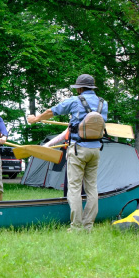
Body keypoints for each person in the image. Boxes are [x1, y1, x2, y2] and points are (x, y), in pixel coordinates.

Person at [28, 74, 108, 232]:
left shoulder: (75, 101)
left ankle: (76, 226)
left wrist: (37, 118)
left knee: (74, 188)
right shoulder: (103, 103)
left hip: (78, 149)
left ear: (79, 88)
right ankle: (88, 226)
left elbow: (52, 111)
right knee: (92, 188)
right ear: (93, 88)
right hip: (96, 149)